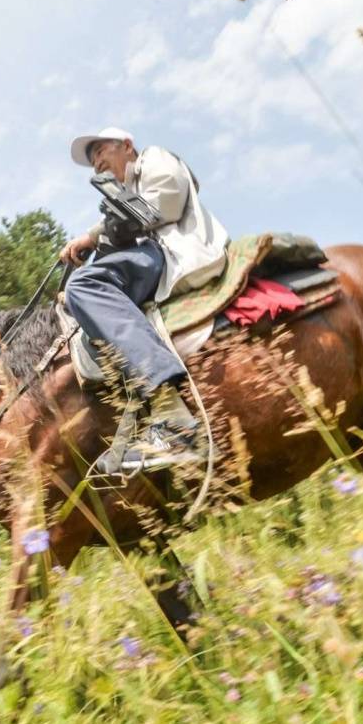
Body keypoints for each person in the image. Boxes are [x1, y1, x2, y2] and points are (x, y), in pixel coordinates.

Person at [61, 127, 229, 473]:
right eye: (92, 160)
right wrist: (92, 239)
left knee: (84, 286)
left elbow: (161, 205)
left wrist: (96, 238)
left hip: (168, 251)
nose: (97, 164)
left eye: (100, 152)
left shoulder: (155, 159)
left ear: (127, 146)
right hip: (149, 253)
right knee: (77, 302)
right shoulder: (125, 191)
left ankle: (173, 419)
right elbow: (120, 222)